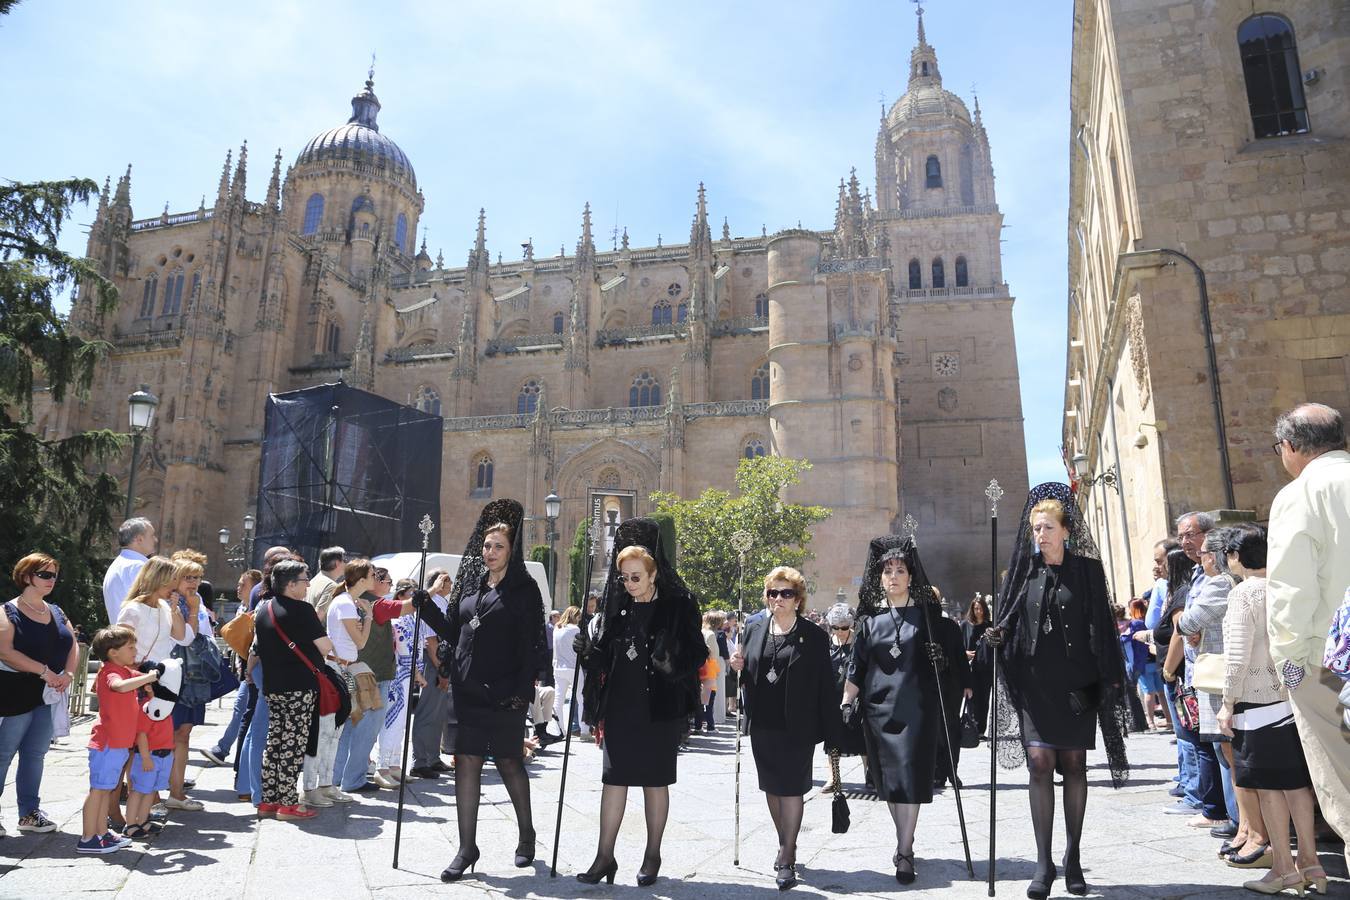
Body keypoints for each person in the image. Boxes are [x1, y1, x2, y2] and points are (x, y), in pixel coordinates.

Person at [984, 484, 1129, 899]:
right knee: (1039, 763)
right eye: (1035, 529)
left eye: (1047, 527)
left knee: (1074, 765)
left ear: (1066, 530)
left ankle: (1074, 857)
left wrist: (1105, 683)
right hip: (1035, 686)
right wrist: (997, 636)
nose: (1041, 535)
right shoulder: (1020, 573)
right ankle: (1043, 863)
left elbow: (1102, 627)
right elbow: (1009, 623)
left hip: (1076, 684)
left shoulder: (1087, 570)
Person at [413, 500, 548, 881]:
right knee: (466, 763)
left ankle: (526, 835)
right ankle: (466, 846)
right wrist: (426, 607)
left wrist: (521, 690)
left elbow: (532, 645)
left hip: (505, 691)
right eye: (487, 546)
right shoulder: (470, 586)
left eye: (498, 547)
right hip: (467, 688)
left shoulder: (525, 590)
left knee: (508, 762)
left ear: (511, 550)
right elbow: (456, 632)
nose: (490, 552)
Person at [574, 518, 706, 887]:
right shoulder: (616, 611)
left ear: (652, 575)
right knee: (613, 780)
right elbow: (604, 659)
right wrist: (588, 652)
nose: (629, 584)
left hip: (659, 708)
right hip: (620, 707)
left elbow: (697, 652)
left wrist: (672, 662)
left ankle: (652, 854)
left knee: (654, 781)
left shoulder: (678, 605)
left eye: (636, 577)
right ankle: (604, 857)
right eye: (624, 578)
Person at [1216, 524, 1324, 894]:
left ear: (1236, 556)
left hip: (1256, 700)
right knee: (1296, 785)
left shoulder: (1244, 594)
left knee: (1266, 788)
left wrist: (1226, 703)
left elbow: (1237, 658)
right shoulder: (1283, 585)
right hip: (1291, 699)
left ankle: (1283, 868)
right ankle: (1310, 863)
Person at [1266, 402, 1350, 872]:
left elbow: (1290, 591)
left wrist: (1289, 666)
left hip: (1327, 664)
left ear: (1292, 447)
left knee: (1343, 784)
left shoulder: (1299, 495)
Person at [842, 534, 946, 885]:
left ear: (911, 577)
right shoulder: (869, 623)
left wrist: (939, 659)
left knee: (911, 777)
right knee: (891, 782)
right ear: (880, 579)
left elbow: (942, 664)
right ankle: (905, 843)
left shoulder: (926, 617)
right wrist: (846, 701)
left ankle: (905, 849)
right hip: (879, 711)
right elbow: (856, 668)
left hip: (917, 709)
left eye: (901, 570)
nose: (894, 576)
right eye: (888, 572)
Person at [731, 565, 837, 891]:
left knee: (792, 788)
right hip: (764, 722)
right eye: (772, 592)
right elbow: (751, 675)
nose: (778, 598)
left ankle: (787, 854)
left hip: (799, 725)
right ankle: (785, 840)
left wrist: (832, 730)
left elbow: (825, 685)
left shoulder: (815, 635)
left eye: (785, 593)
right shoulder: (754, 627)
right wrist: (738, 667)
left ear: (798, 598)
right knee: (772, 788)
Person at [1178, 530, 1253, 842]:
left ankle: (1245, 826)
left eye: (1207, 551)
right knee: (1231, 756)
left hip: (1220, 678)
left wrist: (1185, 624)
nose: (1202, 556)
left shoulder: (1221, 583)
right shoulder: (1229, 583)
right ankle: (1245, 825)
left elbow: (1188, 622)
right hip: (1226, 676)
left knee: (1231, 756)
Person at [0, 552, 80, 837]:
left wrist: (68, 675)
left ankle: (29, 814)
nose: (51, 580)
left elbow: (73, 644)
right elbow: (5, 651)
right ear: (26, 576)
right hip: (14, 692)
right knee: (3, 754)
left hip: (48, 693)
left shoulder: (56, 611)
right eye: (44, 574)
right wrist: (45, 672)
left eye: (54, 575)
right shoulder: (7, 611)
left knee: (35, 754)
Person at [253, 558, 334, 821]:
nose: (308, 583)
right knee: (294, 742)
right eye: (304, 579)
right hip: (299, 685)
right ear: (290, 584)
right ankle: (288, 804)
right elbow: (325, 647)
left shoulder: (264, 609)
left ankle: (268, 800)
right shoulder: (302, 610)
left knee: (275, 740)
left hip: (274, 684)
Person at [79, 625, 158, 853]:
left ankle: (102, 833)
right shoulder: (111, 673)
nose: (136, 650)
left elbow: (138, 677)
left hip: (118, 744)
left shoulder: (124, 670)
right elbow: (120, 687)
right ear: (113, 652)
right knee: (98, 791)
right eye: (131, 647)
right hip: (107, 744)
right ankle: (87, 838)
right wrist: (150, 677)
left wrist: (152, 677)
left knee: (105, 789)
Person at [164, 551, 214, 813]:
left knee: (184, 733)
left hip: (193, 676)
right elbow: (184, 637)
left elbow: (203, 634)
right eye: (187, 577)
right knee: (166, 735)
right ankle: (152, 792)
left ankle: (177, 791)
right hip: (173, 676)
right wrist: (193, 611)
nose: (193, 582)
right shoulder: (170, 602)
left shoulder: (197, 600)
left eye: (197, 577)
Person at [201, 567, 263, 767]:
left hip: (251, 669)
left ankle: (223, 750)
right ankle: (228, 752)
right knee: (244, 711)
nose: (238, 588)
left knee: (241, 710)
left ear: (254, 588)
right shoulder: (241, 609)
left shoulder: (254, 612)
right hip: (244, 668)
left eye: (242, 585)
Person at [821, 602, 865, 793]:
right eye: (835, 627)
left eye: (844, 627)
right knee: (832, 740)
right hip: (832, 697)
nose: (840, 631)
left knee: (862, 738)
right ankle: (834, 778)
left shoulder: (859, 641)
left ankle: (869, 774)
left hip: (855, 697)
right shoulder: (827, 642)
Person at [102, 517, 157, 624]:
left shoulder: (120, 564)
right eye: (152, 535)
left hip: (125, 635)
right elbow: (149, 606)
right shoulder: (138, 566)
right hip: (139, 636)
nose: (155, 539)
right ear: (139, 539)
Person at [962, 595, 994, 738]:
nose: (978, 611)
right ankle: (971, 728)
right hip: (970, 668)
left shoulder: (990, 626)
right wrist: (965, 653)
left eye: (980, 608)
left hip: (986, 668)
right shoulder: (965, 625)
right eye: (975, 608)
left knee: (984, 699)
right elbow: (958, 646)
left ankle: (981, 730)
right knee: (971, 699)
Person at [552, 606, 585, 740]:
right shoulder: (575, 629)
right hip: (573, 667)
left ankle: (560, 729)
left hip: (558, 667)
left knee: (558, 700)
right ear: (574, 616)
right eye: (578, 616)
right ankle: (584, 730)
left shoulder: (557, 629)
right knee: (581, 698)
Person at [694, 611, 722, 734]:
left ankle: (698, 725)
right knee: (709, 701)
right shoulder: (710, 634)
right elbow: (714, 655)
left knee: (700, 701)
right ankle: (709, 726)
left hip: (698, 670)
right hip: (709, 670)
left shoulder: (700, 631)